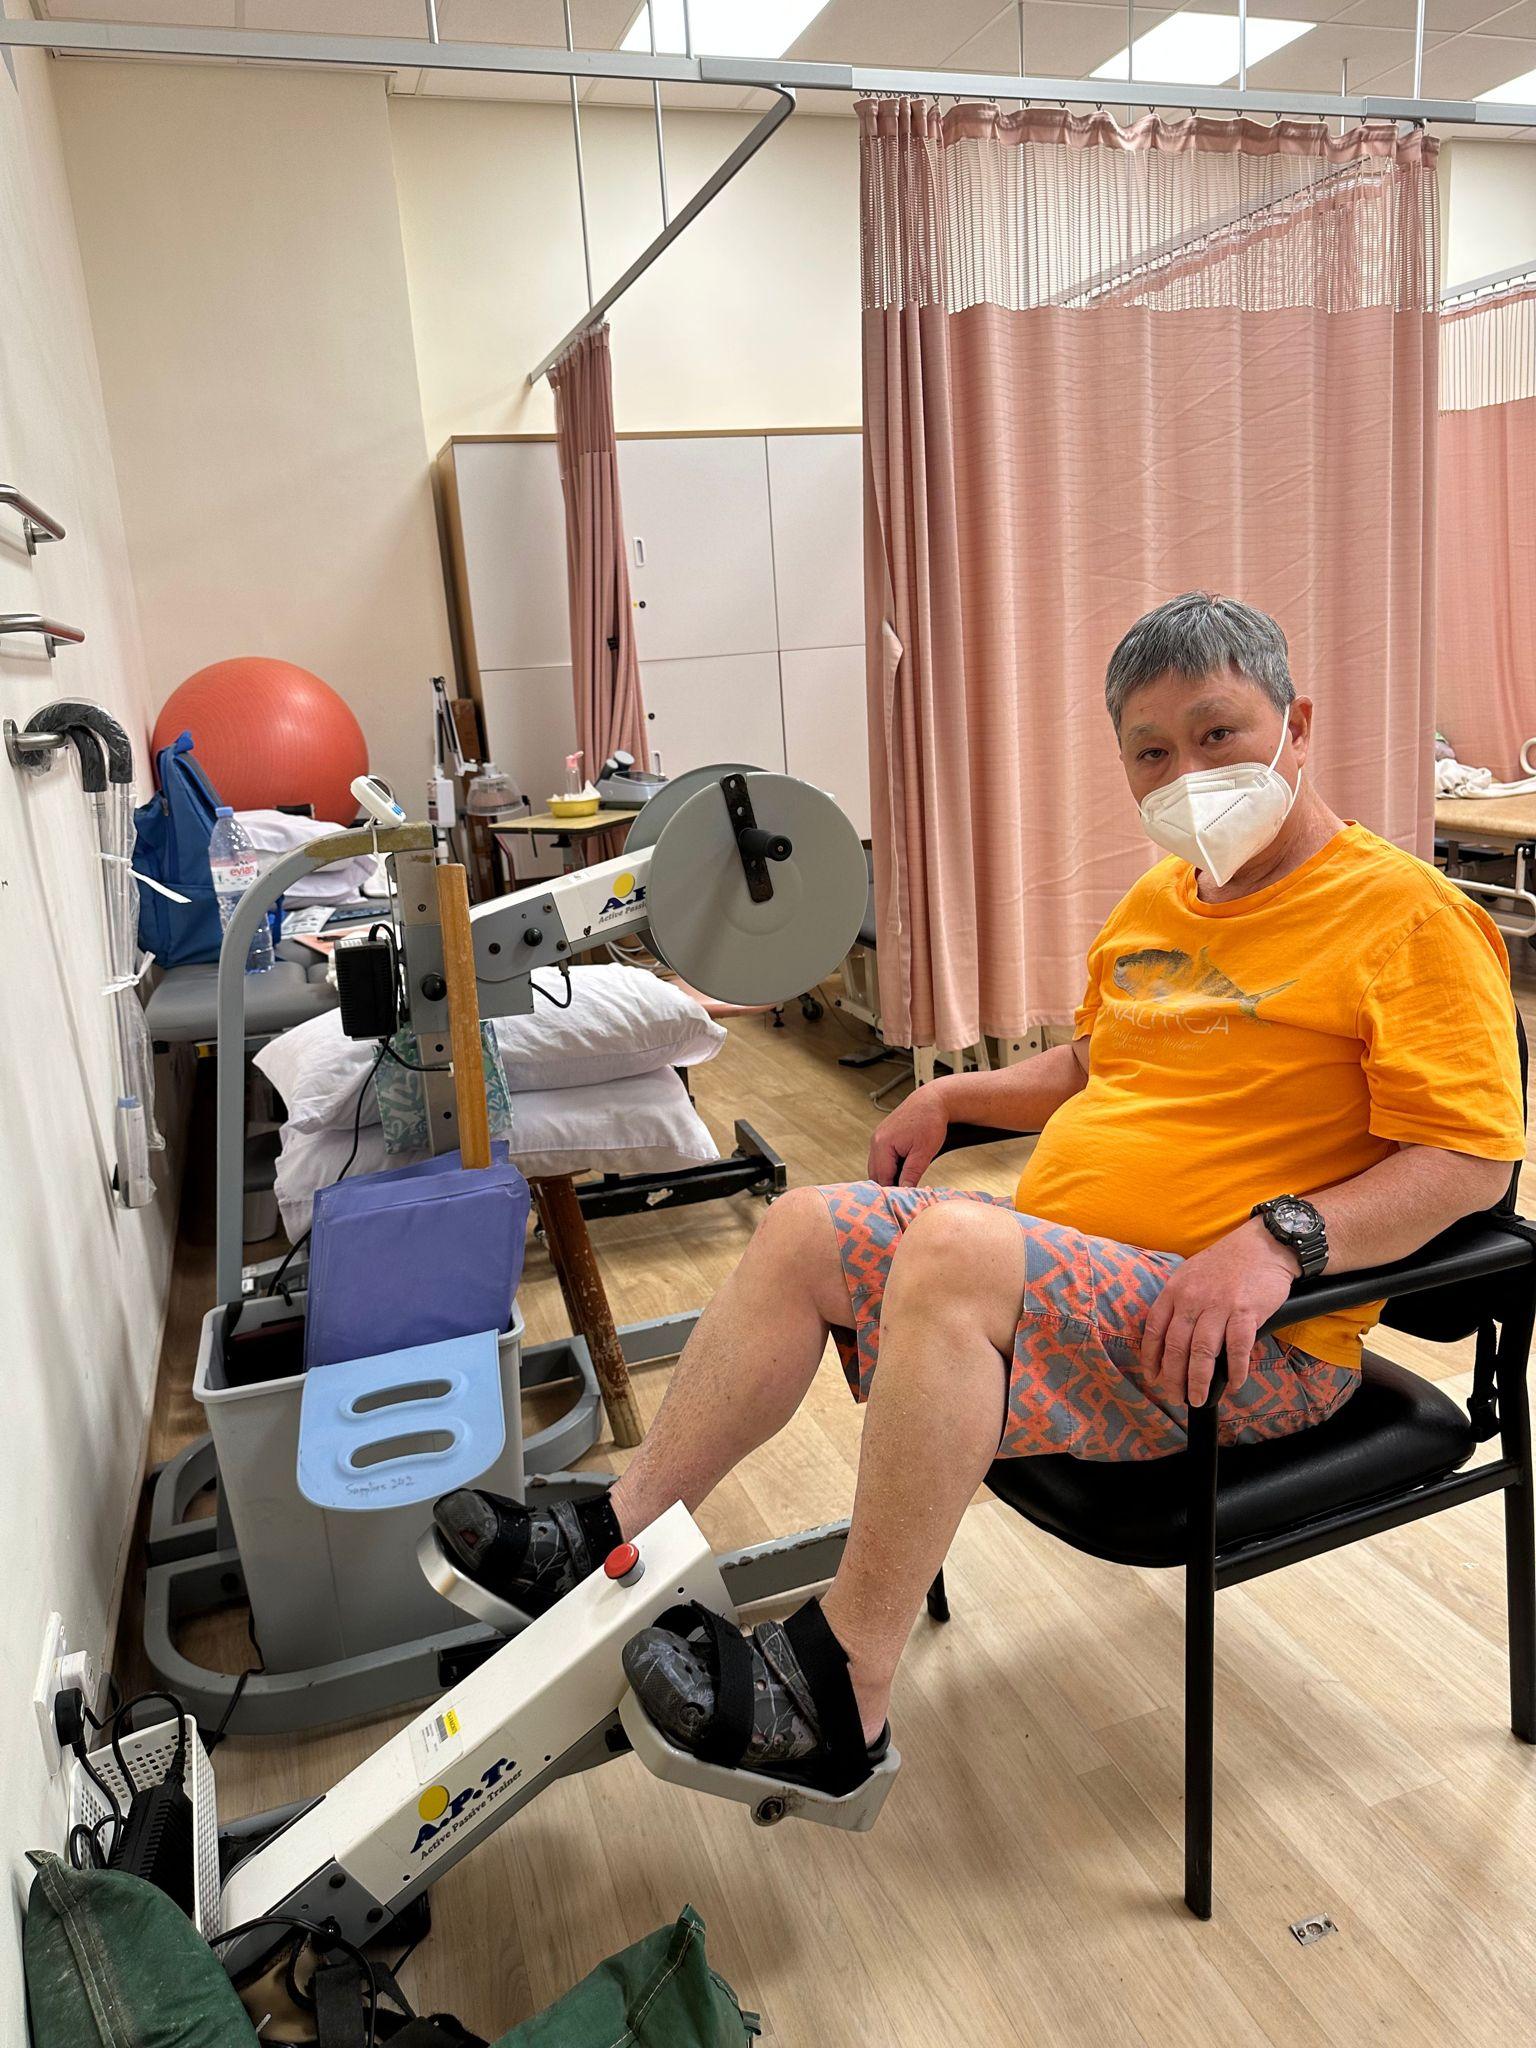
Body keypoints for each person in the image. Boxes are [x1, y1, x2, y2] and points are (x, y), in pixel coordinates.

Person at [436, 592, 1525, 1799]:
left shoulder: (1410, 918)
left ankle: (842, 1692)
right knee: (805, 1225)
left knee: (957, 1250)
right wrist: (954, 1096)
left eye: (1218, 733)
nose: (1187, 774)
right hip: (1088, 1289)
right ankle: (615, 1530)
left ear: (1297, 726)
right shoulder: (1160, 902)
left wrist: (1280, 1239)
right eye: (1152, 752)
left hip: (1244, 1344)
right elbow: (1093, 1066)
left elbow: (1470, 1158)